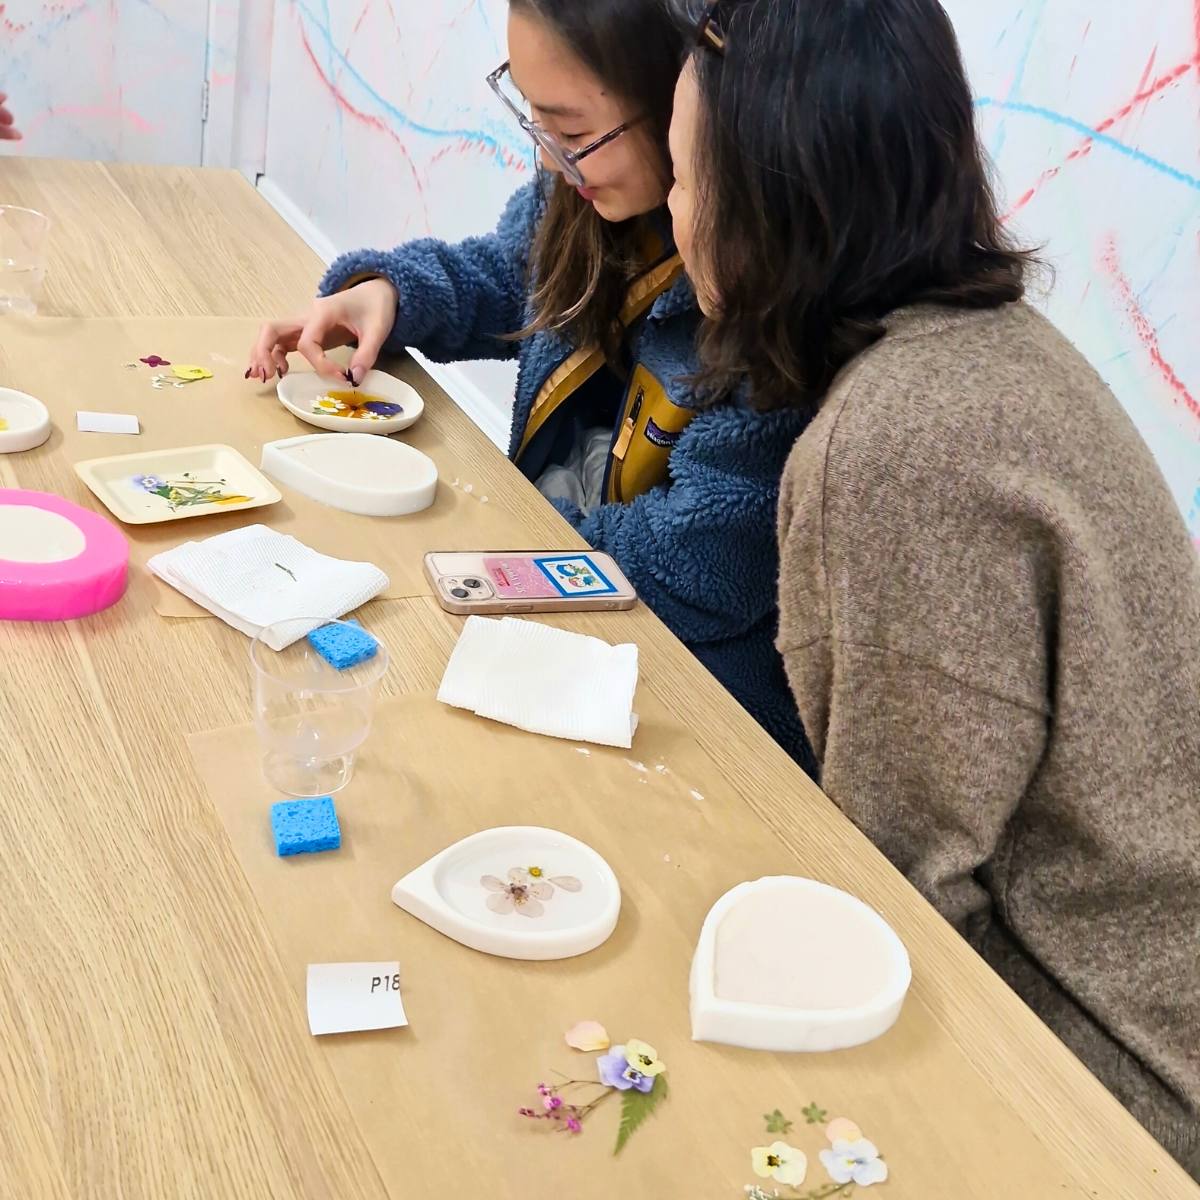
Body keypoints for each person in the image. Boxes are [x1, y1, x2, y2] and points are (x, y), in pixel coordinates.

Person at [667, 0, 1200, 1177]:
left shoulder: (898, 446)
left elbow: (893, 902)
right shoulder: (995, 351)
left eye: (685, 177)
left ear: (771, 205)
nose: (672, 210)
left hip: (1117, 1081)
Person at [247, 0, 813, 768]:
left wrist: (491, 539)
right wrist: (392, 293)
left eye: (572, 134)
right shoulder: (580, 195)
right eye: (532, 116)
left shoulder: (761, 288)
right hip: (543, 613)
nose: (548, 160)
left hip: (684, 705)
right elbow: (512, 276)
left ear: (684, 101)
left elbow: (702, 569)